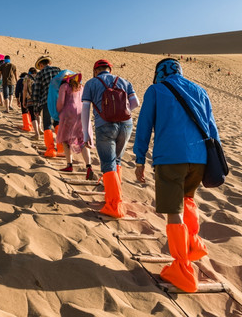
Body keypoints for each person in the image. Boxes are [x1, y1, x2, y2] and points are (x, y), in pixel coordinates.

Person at [133, 58, 220, 293]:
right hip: (200, 158)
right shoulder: (200, 90)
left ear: (159, 72)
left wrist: (139, 158)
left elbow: (144, 126)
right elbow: (212, 127)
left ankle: (182, 270)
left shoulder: (156, 90)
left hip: (171, 157)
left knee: (174, 211)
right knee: (187, 199)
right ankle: (192, 244)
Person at [81, 59, 140, 218]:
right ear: (109, 70)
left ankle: (114, 205)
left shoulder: (91, 83)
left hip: (104, 125)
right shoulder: (123, 81)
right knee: (117, 160)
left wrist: (86, 134)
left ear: (95, 71)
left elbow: (85, 108)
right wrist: (122, 112)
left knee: (108, 162)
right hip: (126, 125)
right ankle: (115, 196)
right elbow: (135, 102)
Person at [56, 73, 94, 179]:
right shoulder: (81, 87)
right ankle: (89, 166)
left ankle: (69, 165)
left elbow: (61, 101)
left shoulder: (64, 86)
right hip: (81, 113)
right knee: (82, 140)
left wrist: (58, 112)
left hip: (68, 113)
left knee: (65, 139)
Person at [32, 56, 61, 157]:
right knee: (58, 123)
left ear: (41, 65)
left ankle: (51, 150)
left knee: (47, 125)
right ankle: (61, 148)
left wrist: (36, 108)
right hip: (59, 101)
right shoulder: (58, 70)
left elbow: (36, 92)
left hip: (46, 101)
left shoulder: (40, 74)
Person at [23, 68, 41, 140]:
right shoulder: (39, 76)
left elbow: (24, 89)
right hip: (39, 99)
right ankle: (39, 128)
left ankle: (37, 134)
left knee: (33, 116)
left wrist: (24, 100)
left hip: (30, 98)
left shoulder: (27, 77)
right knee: (38, 114)